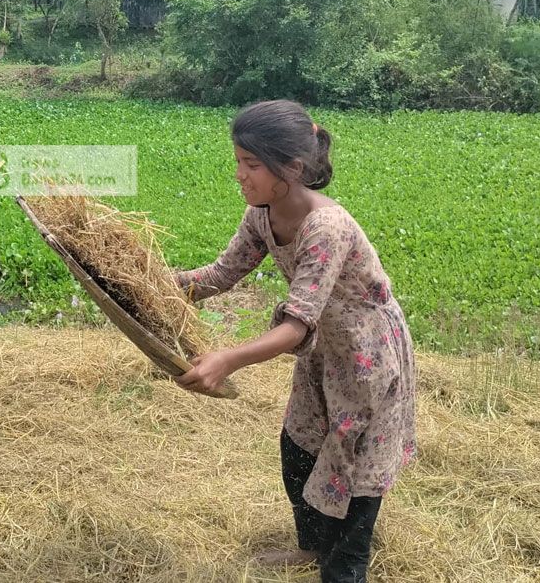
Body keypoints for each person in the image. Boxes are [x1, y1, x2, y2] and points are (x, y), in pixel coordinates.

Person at [174, 100, 416, 582]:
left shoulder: (326, 227)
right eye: (238, 162)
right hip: (323, 350)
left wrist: (227, 359)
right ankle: (310, 549)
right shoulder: (262, 212)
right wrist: (152, 282)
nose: (240, 175)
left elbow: (296, 325)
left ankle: (342, 571)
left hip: (366, 357)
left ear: (293, 168)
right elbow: (222, 274)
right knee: (299, 448)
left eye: (252, 165)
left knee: (352, 472)